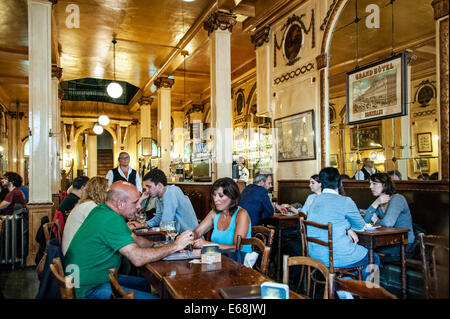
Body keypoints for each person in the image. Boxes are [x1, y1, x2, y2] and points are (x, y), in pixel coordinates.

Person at [64, 181, 194, 299]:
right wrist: (175, 246)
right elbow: (137, 258)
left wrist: (157, 245)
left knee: (144, 284)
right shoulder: (110, 220)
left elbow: (135, 239)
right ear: (120, 203)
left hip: (86, 279)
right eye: (135, 202)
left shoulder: (102, 211)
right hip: (87, 289)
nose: (139, 206)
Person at [307, 167, 379, 281]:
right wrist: (349, 227)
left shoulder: (315, 200)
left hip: (314, 254)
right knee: (373, 257)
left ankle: (344, 282)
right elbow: (360, 227)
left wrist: (347, 227)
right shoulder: (345, 201)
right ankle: (354, 289)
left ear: (321, 183)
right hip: (335, 257)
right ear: (339, 182)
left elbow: (331, 220)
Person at [361, 173, 416, 262]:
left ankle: (370, 275)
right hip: (390, 243)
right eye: (370, 184)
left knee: (367, 252)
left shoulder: (397, 199)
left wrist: (376, 220)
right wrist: (375, 203)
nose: (370, 187)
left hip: (405, 245)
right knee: (364, 250)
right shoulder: (379, 202)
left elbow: (388, 223)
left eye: (374, 183)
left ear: (385, 185)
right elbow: (365, 221)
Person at [128, 168, 198, 234]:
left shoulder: (170, 192)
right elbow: (158, 218)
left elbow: (166, 223)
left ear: (159, 185)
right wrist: (142, 225)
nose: (146, 190)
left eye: (149, 187)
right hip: (179, 238)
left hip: (191, 241)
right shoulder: (161, 196)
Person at [192, 177, 252, 253]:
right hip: (220, 258)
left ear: (232, 196)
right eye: (214, 195)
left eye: (221, 196)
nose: (215, 199)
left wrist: (209, 244)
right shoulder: (214, 213)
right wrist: (188, 237)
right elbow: (198, 232)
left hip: (239, 262)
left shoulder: (242, 214)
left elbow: (236, 248)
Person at [62, 176, 109, 255]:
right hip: (75, 257)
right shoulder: (90, 206)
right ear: (101, 192)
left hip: (72, 251)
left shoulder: (86, 203)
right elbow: (103, 232)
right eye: (107, 191)